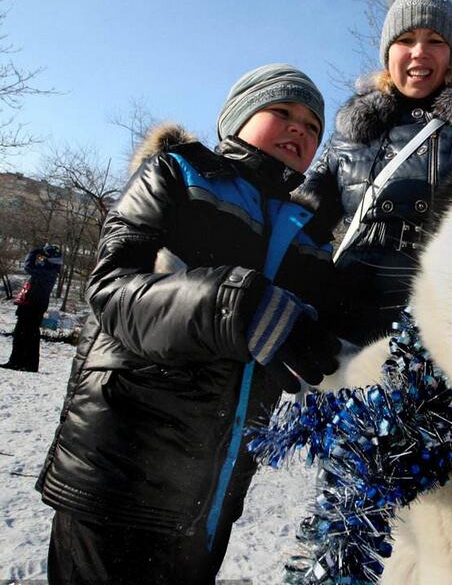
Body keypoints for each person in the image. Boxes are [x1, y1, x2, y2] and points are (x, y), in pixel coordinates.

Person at [36, 64, 342, 584]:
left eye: (314, 126)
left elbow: (333, 324)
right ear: (238, 118)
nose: (300, 129)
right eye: (282, 112)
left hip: (214, 487)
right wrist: (240, 308)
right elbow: (112, 290)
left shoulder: (305, 231)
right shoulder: (177, 173)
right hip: (119, 471)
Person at [297, 0, 452, 346]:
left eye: (435, 41)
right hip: (347, 303)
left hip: (442, 309)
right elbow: (304, 220)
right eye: (406, 39)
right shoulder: (352, 134)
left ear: (450, 54)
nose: (419, 52)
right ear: (388, 52)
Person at [1, 243, 63, 372]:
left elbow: (28, 267)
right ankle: (16, 361)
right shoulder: (47, 267)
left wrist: (35, 252)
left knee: (30, 334)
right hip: (29, 303)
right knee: (19, 333)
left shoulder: (50, 270)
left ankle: (30, 364)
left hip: (34, 305)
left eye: (46, 255)